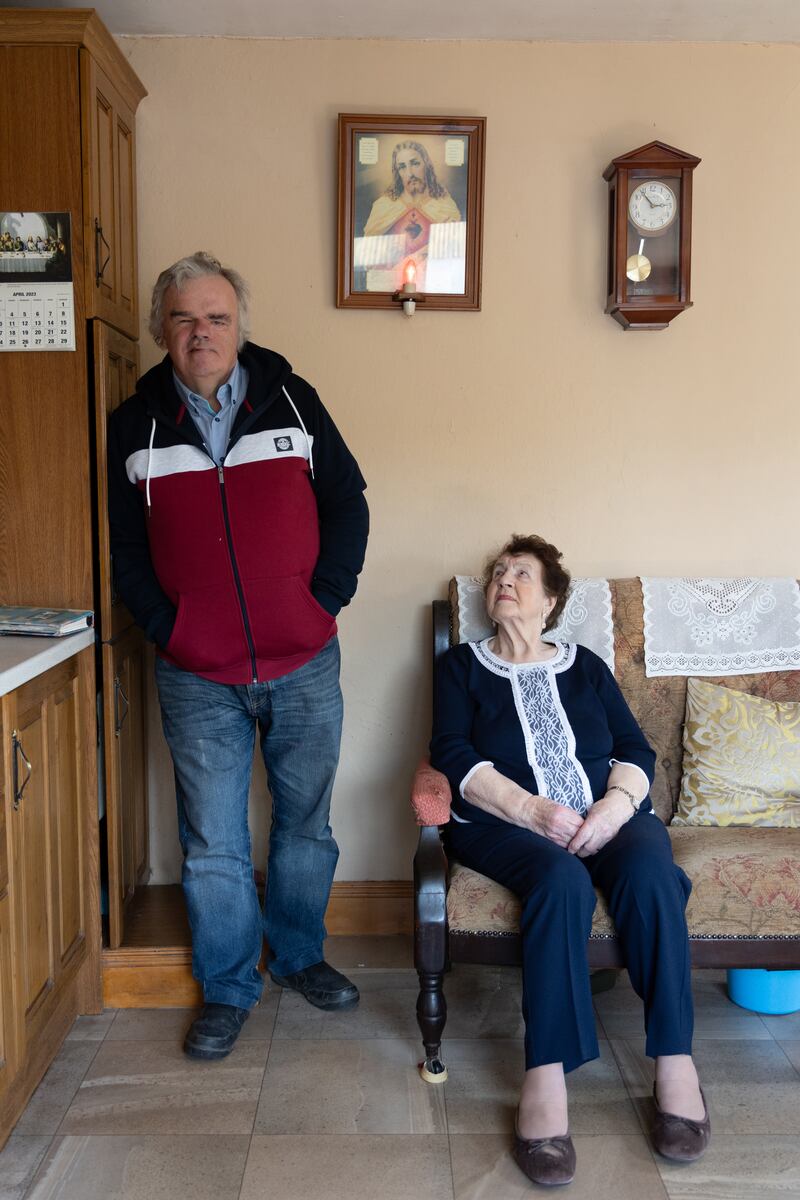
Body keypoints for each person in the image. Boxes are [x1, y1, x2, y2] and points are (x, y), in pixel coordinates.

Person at [107, 251, 369, 1061]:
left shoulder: (294, 399)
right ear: (161, 329)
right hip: (196, 672)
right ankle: (226, 987)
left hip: (303, 660)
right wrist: (171, 628)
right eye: (184, 318)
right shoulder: (133, 424)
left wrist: (320, 599)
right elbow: (123, 551)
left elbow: (348, 502)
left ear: (239, 325)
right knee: (213, 841)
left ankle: (297, 956)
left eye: (216, 317)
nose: (201, 333)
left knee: (305, 826)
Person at [430, 534, 710, 1187]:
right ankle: (545, 1079)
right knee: (559, 882)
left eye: (521, 574)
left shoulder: (584, 665)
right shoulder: (461, 669)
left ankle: (675, 1063)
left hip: (602, 813)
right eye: (498, 572)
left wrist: (614, 808)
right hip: (503, 824)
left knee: (649, 872)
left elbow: (636, 750)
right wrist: (531, 811)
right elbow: (450, 753)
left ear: (550, 598)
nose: (504, 580)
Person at [363, 139, 461, 286]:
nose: (410, 173)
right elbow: (369, 257)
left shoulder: (444, 204)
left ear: (426, 164)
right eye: (402, 167)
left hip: (434, 284)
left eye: (415, 164)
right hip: (390, 286)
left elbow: (455, 253)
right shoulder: (384, 205)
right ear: (397, 172)